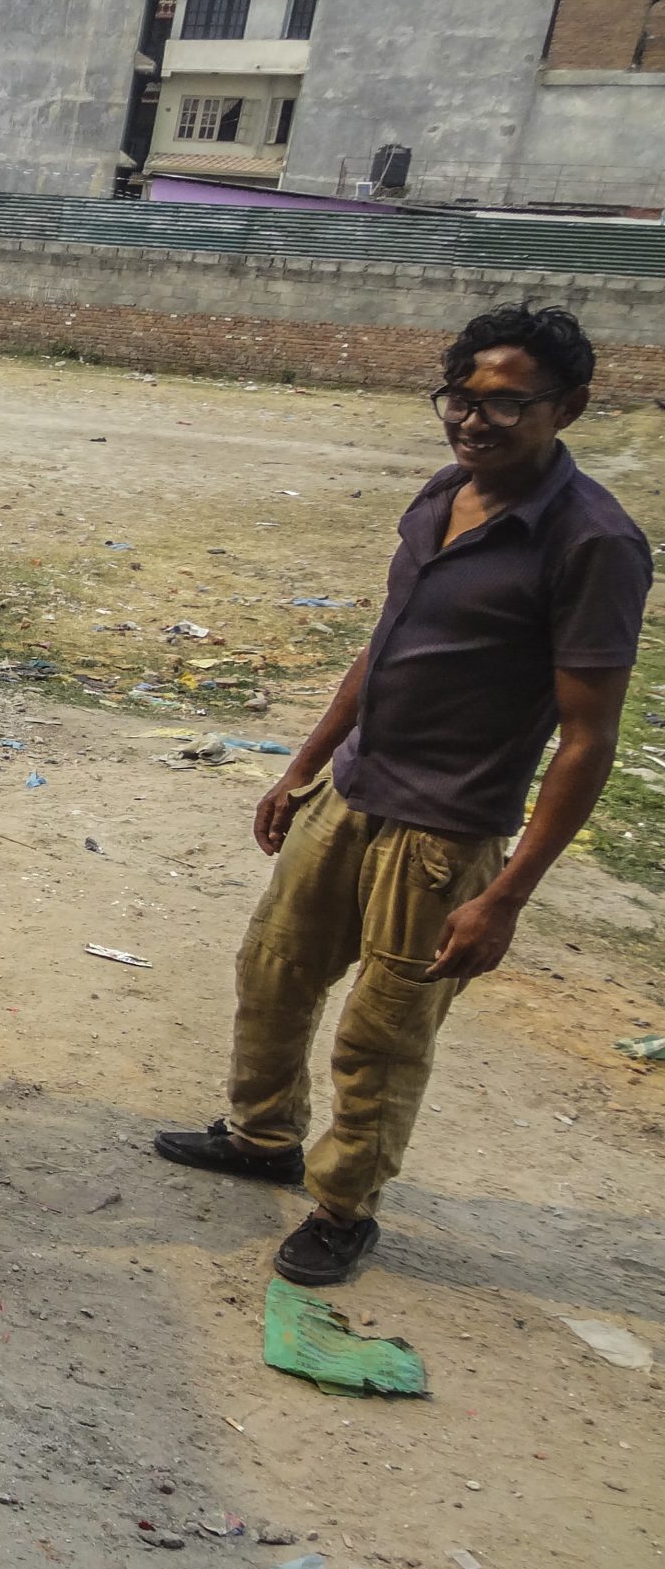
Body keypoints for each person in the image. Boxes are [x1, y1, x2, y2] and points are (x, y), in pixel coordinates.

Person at [155, 305, 651, 1285]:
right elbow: (382, 647)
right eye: (461, 397)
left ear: (570, 407)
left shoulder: (591, 543)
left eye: (505, 402)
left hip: (443, 831)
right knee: (273, 971)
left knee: (383, 1034)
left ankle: (342, 1208)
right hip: (351, 792)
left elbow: (588, 738)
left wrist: (504, 894)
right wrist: (303, 763)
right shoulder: (441, 496)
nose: (474, 420)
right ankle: (261, 1138)